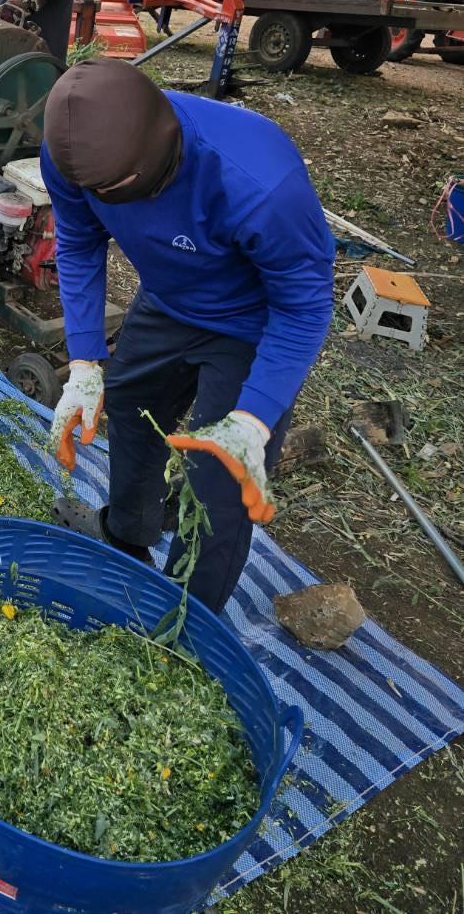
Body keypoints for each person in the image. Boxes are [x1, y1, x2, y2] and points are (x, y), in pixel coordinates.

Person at [41, 59, 335, 615]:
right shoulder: (72, 158)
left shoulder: (259, 183)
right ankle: (127, 536)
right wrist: (83, 361)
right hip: (169, 299)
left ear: (156, 161)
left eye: (110, 189)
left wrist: (254, 418)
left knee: (220, 481)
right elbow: (79, 243)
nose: (97, 196)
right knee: (128, 404)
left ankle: (185, 619)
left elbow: (304, 306)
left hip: (255, 323)